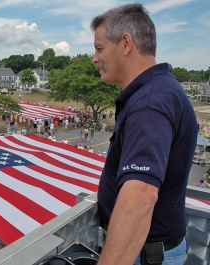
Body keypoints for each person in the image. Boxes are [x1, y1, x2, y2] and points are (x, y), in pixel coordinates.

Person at [91, 4, 198, 265]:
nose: (94, 58)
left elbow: (141, 194)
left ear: (126, 43)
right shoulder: (162, 89)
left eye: (99, 48)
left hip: (145, 254)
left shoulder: (149, 102)